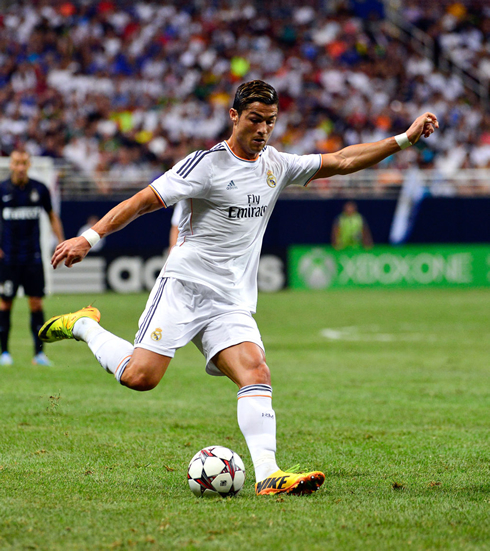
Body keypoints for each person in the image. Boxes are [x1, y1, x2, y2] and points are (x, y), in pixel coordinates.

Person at [39, 81, 438, 495]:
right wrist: (90, 236)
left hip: (230, 300)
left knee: (256, 370)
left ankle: (268, 473)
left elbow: (341, 160)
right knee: (140, 378)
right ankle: (85, 325)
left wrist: (404, 140)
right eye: (254, 119)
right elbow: (142, 200)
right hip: (185, 287)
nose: (263, 129)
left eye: (270, 121)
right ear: (234, 117)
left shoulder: (276, 165)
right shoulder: (205, 165)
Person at [0, 149, 64, 366]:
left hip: (33, 257)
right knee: (5, 304)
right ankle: (4, 354)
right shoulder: (2, 189)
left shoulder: (40, 188)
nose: (20, 167)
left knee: (36, 304)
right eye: (16, 162)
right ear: (11, 165)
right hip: (8, 258)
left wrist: (61, 241)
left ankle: (39, 354)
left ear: (28, 164)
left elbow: (52, 216)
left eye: (24, 163)